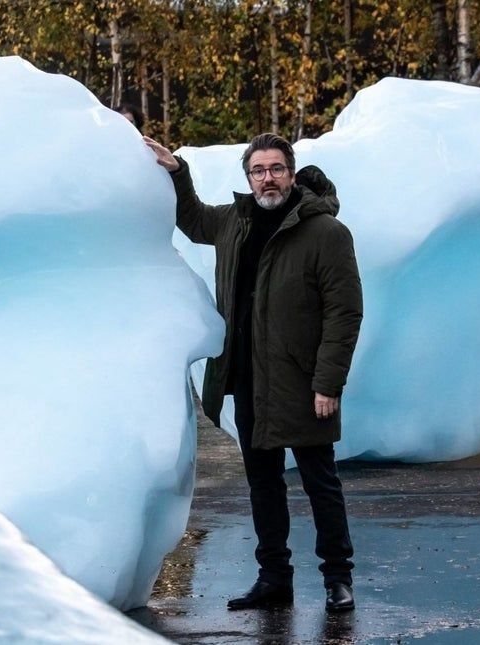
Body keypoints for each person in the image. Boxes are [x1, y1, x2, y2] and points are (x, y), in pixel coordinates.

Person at [144, 133, 363, 613]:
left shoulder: (325, 233)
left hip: (304, 384)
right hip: (248, 381)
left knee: (319, 483)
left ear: (291, 171)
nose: (268, 178)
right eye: (258, 170)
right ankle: (273, 578)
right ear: (248, 177)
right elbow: (194, 219)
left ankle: (338, 578)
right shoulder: (235, 222)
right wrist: (177, 172)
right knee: (263, 484)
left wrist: (328, 382)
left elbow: (344, 313)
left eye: (276, 168)